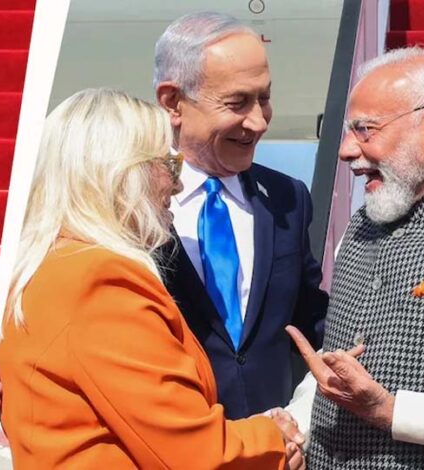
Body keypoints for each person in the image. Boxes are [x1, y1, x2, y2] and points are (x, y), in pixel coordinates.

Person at [0, 88, 305, 469]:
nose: (177, 185)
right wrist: (274, 438)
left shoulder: (49, 264)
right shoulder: (100, 281)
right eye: (169, 165)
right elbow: (197, 456)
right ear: (120, 173)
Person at [152, 11, 328, 419]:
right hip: (173, 439)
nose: (259, 121)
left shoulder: (287, 197)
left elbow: (309, 315)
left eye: (264, 98)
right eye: (238, 102)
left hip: (276, 440)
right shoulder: (128, 202)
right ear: (173, 102)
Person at [284, 47, 424, 469]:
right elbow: (337, 359)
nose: (346, 150)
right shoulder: (361, 224)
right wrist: (294, 425)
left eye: (365, 129)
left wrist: (390, 411)